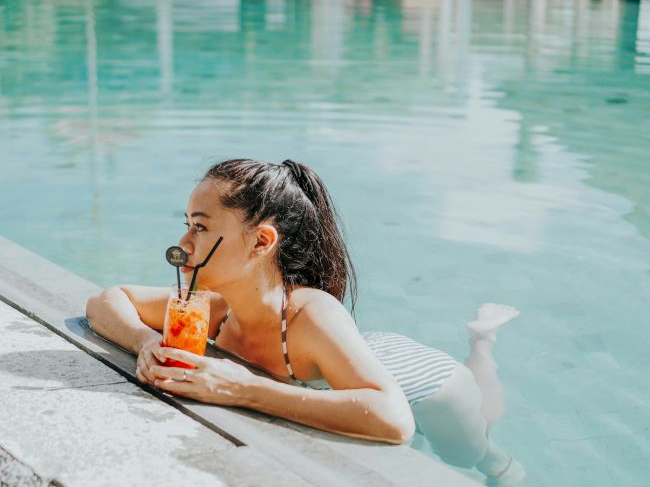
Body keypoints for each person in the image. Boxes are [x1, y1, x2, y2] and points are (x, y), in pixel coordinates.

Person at [86, 159, 525, 485]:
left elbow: (395, 420)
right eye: (186, 224)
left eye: (200, 228)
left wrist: (242, 388)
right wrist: (145, 341)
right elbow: (108, 300)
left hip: (428, 382)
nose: (182, 243)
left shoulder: (310, 313)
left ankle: (481, 344)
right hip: (355, 357)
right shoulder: (211, 309)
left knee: (474, 456)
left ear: (261, 241)